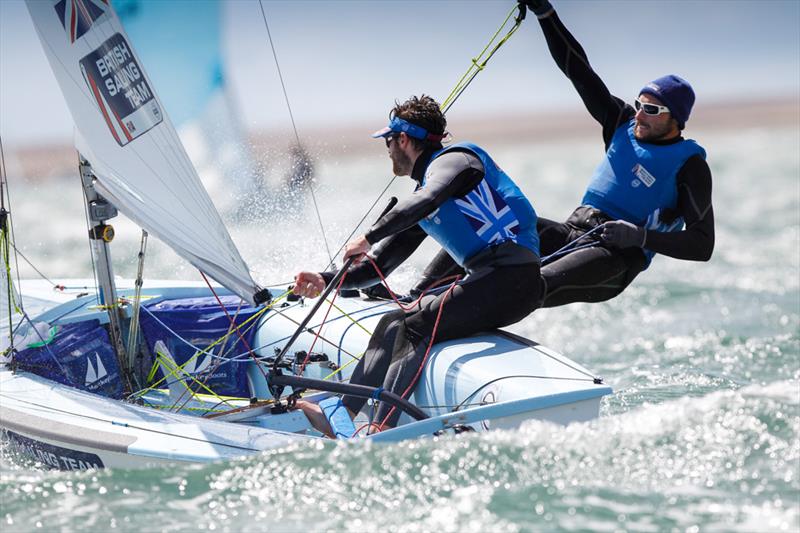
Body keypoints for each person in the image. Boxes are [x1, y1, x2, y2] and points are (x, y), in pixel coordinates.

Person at [410, 0, 715, 307]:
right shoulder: (620, 123)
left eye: (651, 109)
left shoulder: (689, 167)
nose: (639, 115)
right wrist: (545, 12)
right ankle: (416, 296)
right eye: (639, 105)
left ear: (676, 119)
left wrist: (639, 236)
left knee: (528, 283)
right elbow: (579, 71)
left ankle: (449, 314)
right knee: (487, 227)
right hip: (573, 232)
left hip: (615, 257)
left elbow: (702, 245)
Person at [292, 95, 543, 435]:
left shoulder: (457, 161)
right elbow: (374, 268)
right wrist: (325, 280)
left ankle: (381, 428)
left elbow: (429, 197)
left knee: (412, 326)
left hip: (511, 278)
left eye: (389, 142)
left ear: (404, 140)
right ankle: (342, 414)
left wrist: (369, 235)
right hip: (493, 283)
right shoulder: (424, 198)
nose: (388, 150)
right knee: (392, 323)